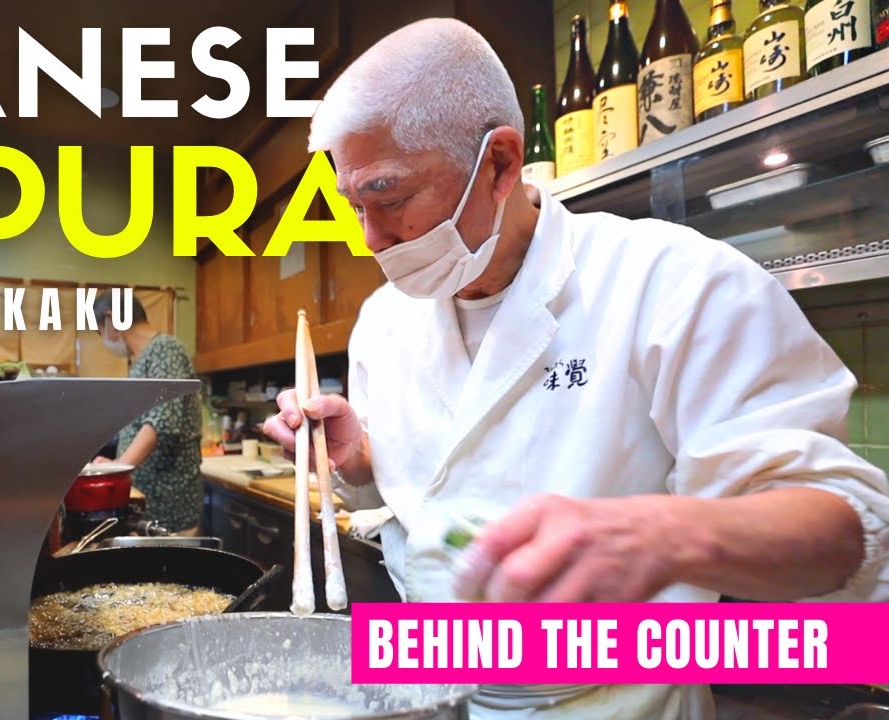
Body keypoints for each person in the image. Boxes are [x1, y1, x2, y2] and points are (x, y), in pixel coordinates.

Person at [261, 17, 889, 720]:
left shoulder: (671, 280)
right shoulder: (385, 318)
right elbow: (438, 480)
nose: (371, 240)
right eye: (355, 208)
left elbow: (849, 527)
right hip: (431, 689)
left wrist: (661, 534)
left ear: (499, 163)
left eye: (391, 199)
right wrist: (359, 461)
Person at [93, 293, 204, 535]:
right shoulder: (142, 360)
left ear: (112, 320)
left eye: (101, 330)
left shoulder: (165, 349)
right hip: (149, 504)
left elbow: (159, 423)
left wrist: (118, 467)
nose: (104, 338)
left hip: (168, 508)